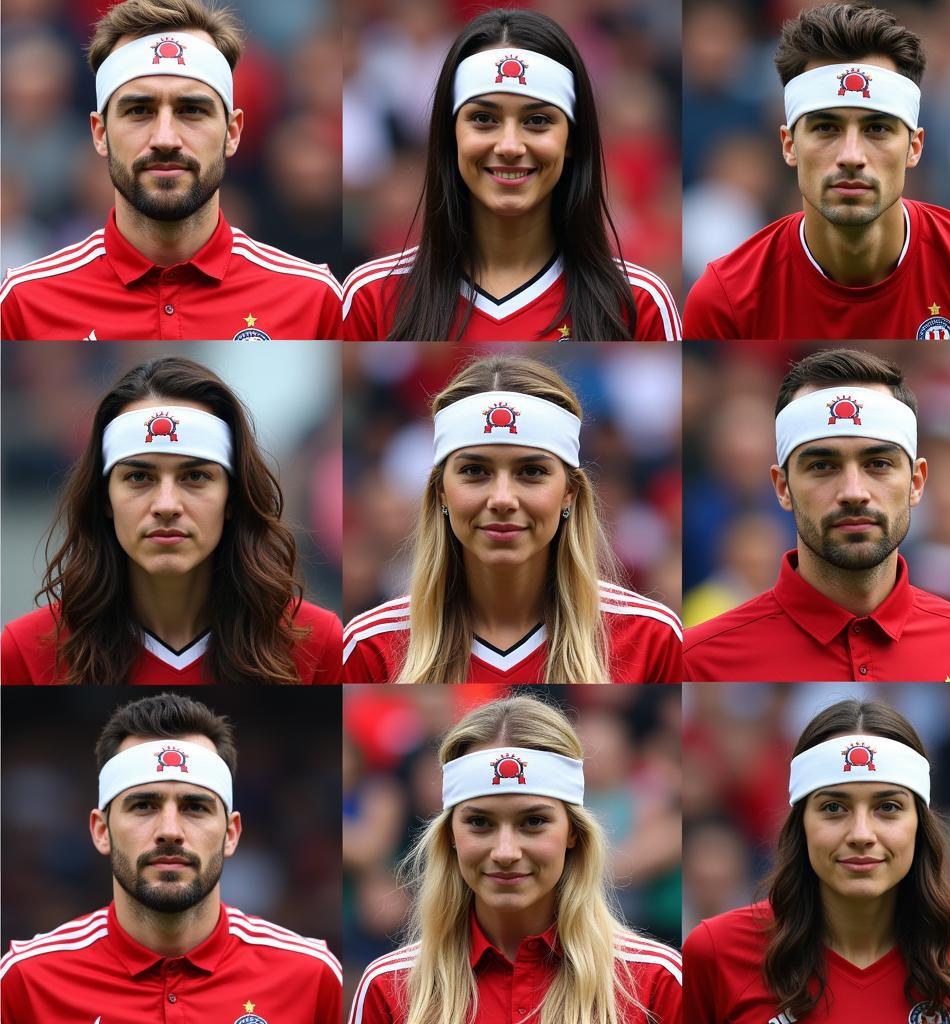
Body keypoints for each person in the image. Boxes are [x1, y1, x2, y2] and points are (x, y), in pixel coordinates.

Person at [0, 0, 342, 340]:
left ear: (232, 132)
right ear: (100, 134)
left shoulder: (312, 298)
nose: (165, 139)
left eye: (191, 110)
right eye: (139, 111)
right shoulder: (24, 303)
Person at [682, 2, 950, 340]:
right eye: (826, 128)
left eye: (877, 129)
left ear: (914, 148)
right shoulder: (723, 299)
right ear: (789, 145)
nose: (851, 156)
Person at [682, 348, 950, 681]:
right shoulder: (701, 658)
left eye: (878, 464)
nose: (853, 492)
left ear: (917, 483)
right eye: (822, 466)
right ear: (783, 487)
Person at [341, 8, 680, 341]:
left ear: (573, 139)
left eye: (537, 121)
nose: (510, 146)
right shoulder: (372, 296)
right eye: (484, 119)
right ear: (449, 135)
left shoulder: (639, 302)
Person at [0, 692, 343, 1020]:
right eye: (144, 806)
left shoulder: (312, 976)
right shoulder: (26, 980)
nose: (170, 830)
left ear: (231, 834)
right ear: (101, 831)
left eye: (195, 807)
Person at [342, 354, 683, 683]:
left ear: (570, 492)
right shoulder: (370, 647)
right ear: (440, 492)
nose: (502, 499)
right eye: (475, 471)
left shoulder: (652, 639)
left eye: (531, 471)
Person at [1, 356, 342, 684]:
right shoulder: (26, 652)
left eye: (194, 476)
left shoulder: (318, 643)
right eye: (138, 477)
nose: (166, 505)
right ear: (105, 497)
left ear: (232, 497)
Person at [683, 697, 950, 1022]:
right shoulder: (715, 952)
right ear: (800, 824)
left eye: (888, 807)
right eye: (834, 807)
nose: (861, 834)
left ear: (920, 824)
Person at [348, 694, 681, 1024]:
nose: (505, 852)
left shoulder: (656, 983)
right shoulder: (388, 987)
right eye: (479, 822)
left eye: (533, 822)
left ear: (573, 832)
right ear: (450, 835)